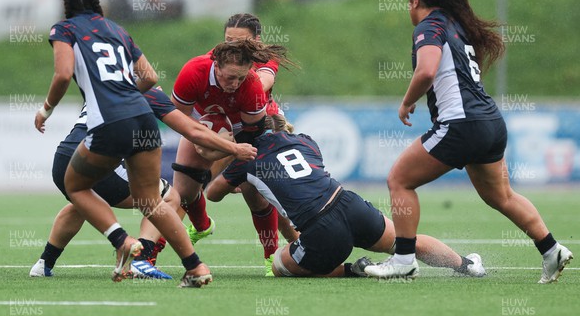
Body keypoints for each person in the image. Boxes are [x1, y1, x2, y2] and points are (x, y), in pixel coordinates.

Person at [364, 0, 573, 283]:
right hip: (490, 122)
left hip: (462, 125)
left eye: (409, 0)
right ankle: (550, 249)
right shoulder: (456, 27)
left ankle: (404, 259)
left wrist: (407, 101)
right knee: (501, 196)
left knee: (399, 180)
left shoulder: (430, 26)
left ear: (416, 0)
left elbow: (426, 71)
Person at [34, 0, 216, 287]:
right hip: (143, 121)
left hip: (109, 124)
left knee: (75, 187)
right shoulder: (117, 29)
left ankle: (124, 242)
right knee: (152, 201)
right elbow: (149, 75)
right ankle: (196, 267)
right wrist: (125, 91)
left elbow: (63, 75)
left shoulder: (64, 29)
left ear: (64, 3)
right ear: (98, 0)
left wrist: (45, 109)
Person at [205, 114, 486, 278]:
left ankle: (356, 269)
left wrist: (230, 153)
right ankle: (467, 265)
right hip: (349, 203)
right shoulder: (305, 140)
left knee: (279, 265)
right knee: (405, 241)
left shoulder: (248, 158)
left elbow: (213, 194)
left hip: (321, 229)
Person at [30, 87, 256, 280]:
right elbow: (192, 130)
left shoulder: (98, 88)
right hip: (95, 159)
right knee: (168, 197)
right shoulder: (147, 92)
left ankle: (43, 264)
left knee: (82, 204)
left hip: (62, 159)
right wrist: (234, 148)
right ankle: (141, 258)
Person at [170, 39, 295, 276]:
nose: (234, 84)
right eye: (230, 78)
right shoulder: (194, 71)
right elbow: (176, 118)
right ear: (216, 64)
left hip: (249, 131)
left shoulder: (253, 83)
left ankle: (274, 256)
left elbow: (252, 135)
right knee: (183, 191)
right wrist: (206, 142)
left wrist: (222, 155)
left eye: (240, 77)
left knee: (255, 192)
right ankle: (152, 254)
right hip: (207, 129)